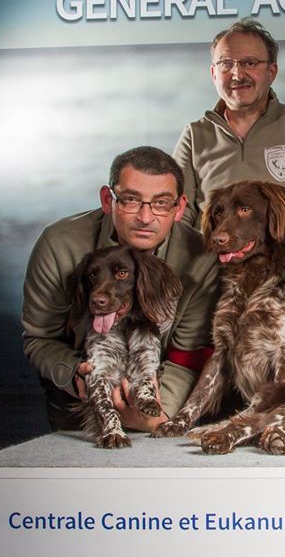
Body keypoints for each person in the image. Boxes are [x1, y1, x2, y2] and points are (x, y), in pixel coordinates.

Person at [22, 146, 218, 431]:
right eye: (130, 200)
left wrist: (159, 417)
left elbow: (187, 355)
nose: (146, 217)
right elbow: (40, 338)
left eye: (161, 203)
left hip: (158, 381)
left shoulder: (201, 259)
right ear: (107, 199)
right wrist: (75, 374)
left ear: (179, 208)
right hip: (83, 387)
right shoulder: (59, 244)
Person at [173, 18, 285, 226]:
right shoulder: (194, 135)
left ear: (272, 72)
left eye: (249, 63)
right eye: (226, 64)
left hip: (284, 257)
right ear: (214, 74)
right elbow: (178, 216)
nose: (237, 74)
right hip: (211, 257)